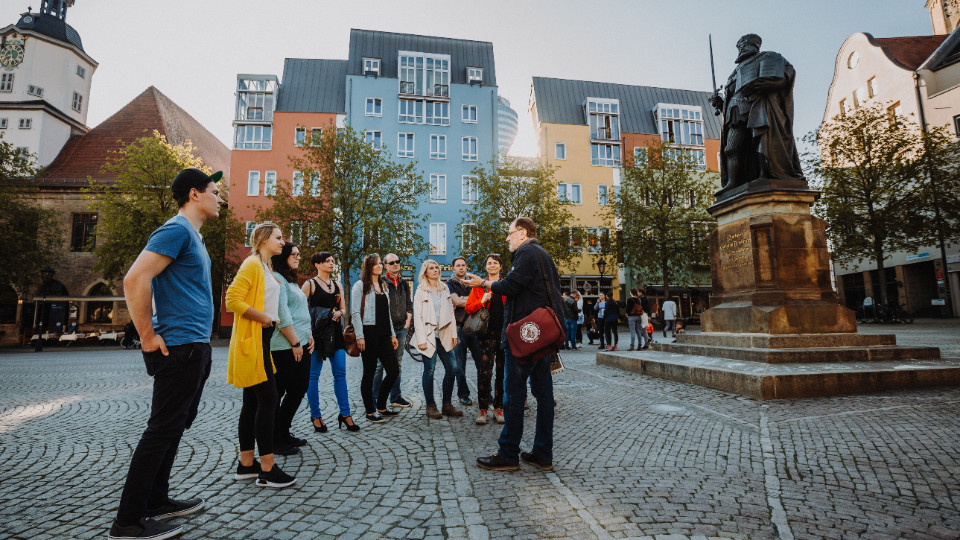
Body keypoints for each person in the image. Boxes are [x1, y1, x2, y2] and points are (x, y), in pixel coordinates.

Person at [109, 168, 222, 540]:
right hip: (179, 346)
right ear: (194, 194)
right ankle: (127, 522)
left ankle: (156, 500)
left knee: (174, 426)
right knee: (160, 430)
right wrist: (147, 336)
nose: (220, 197)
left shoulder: (194, 237)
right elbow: (135, 279)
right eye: (214, 191)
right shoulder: (175, 229)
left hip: (195, 347)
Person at [462, 217, 560, 472]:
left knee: (513, 393)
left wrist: (483, 283)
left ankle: (508, 453)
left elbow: (511, 286)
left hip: (524, 336)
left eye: (510, 233)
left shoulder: (526, 251)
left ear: (523, 233)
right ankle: (542, 453)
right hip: (541, 335)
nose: (507, 238)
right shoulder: (544, 254)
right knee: (544, 395)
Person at [226, 222, 296, 489]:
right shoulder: (253, 264)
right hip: (254, 338)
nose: (283, 241)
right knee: (268, 401)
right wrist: (265, 318)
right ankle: (267, 468)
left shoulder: (266, 266)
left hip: (262, 339)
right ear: (264, 239)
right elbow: (232, 300)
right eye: (278, 237)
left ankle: (247, 464)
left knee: (253, 403)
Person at [709, 33, 804, 193]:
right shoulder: (734, 72)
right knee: (731, 148)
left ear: (755, 45)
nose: (743, 48)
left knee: (762, 139)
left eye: (746, 44)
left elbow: (787, 73)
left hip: (759, 105)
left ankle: (764, 174)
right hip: (735, 111)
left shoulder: (769, 56)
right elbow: (733, 93)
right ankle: (733, 182)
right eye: (741, 45)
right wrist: (721, 104)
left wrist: (771, 84)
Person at [303, 252, 357, 432]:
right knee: (313, 376)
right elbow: (302, 312)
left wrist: (339, 314)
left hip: (335, 335)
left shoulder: (337, 285)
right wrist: (308, 333)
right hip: (316, 335)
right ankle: (316, 415)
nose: (331, 263)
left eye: (333, 261)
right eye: (327, 261)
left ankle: (345, 414)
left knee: (340, 374)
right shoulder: (309, 285)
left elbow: (343, 308)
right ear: (317, 264)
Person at [270, 242, 315, 456]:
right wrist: (296, 342)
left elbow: (301, 311)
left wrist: (310, 336)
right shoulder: (278, 279)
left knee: (299, 388)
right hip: (285, 346)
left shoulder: (291, 279)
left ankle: (283, 430)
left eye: (299, 253)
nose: (298, 257)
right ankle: (274, 439)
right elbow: (282, 314)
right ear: (283, 256)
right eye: (293, 254)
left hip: (302, 343)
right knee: (278, 392)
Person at [352, 254, 400, 423]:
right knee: (369, 372)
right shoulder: (360, 286)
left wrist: (393, 334)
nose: (380, 266)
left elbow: (387, 313)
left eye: (381, 263)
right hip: (369, 333)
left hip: (385, 334)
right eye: (377, 264)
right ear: (369, 267)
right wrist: (360, 336)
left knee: (393, 370)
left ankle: (381, 405)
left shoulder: (383, 285)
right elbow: (356, 313)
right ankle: (370, 411)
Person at [412, 259, 462, 419]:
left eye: (436, 267)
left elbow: (451, 314)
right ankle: (430, 406)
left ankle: (447, 405)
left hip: (444, 334)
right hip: (428, 336)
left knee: (453, 368)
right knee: (429, 370)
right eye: (431, 268)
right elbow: (418, 317)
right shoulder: (421, 290)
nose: (435, 270)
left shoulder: (444, 288)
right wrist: (421, 339)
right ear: (425, 272)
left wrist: (454, 334)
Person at [464, 253, 506, 425]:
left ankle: (499, 408)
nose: (493, 266)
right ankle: (483, 409)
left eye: (496, 263)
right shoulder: (479, 286)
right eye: (489, 263)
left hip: (504, 334)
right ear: (486, 267)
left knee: (502, 373)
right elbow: (468, 308)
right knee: (485, 373)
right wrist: (482, 301)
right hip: (485, 334)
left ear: (500, 266)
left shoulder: (505, 285)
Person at [374, 253, 413, 409]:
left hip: (401, 328)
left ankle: (395, 397)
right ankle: (375, 398)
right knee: (380, 365)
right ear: (386, 265)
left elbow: (408, 304)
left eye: (397, 261)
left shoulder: (403, 283)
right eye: (392, 262)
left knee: (397, 364)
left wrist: (408, 321)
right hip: (384, 331)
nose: (395, 264)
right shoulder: (381, 282)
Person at [447, 256, 476, 406]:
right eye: (458, 265)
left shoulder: (473, 282)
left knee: (482, 363)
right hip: (458, 327)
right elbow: (456, 301)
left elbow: (479, 301)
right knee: (460, 364)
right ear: (453, 268)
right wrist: (470, 300)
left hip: (476, 327)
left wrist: (463, 300)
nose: (461, 267)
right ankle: (463, 394)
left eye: (463, 265)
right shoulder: (449, 284)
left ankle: (486, 393)